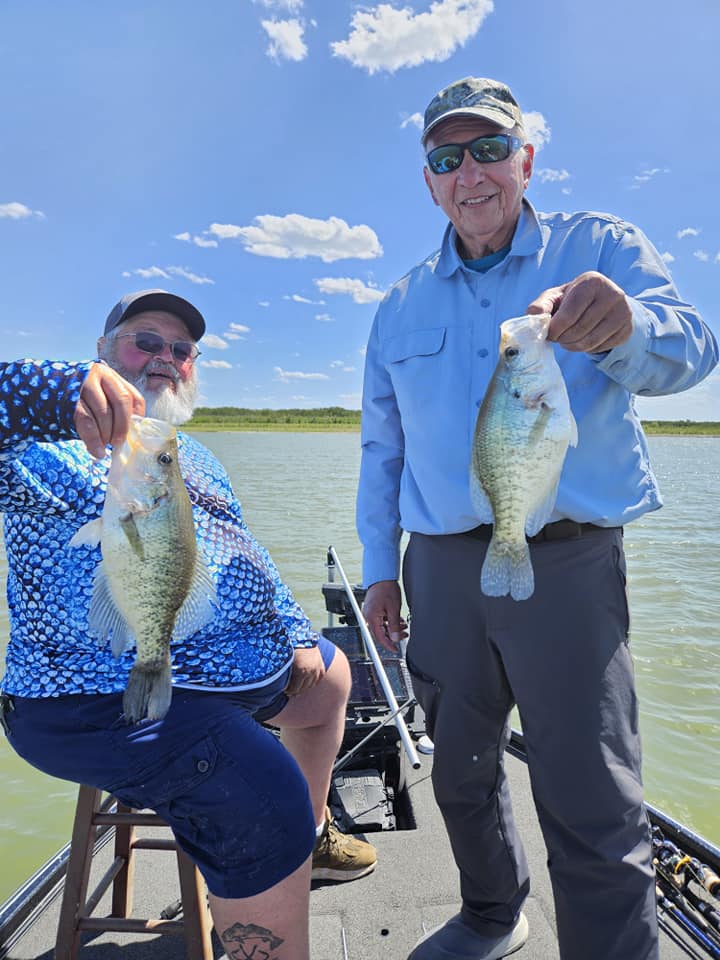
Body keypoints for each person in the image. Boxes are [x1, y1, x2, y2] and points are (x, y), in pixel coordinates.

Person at [357, 76, 718, 960]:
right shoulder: (398, 304)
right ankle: (492, 913)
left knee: (590, 789)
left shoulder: (599, 247)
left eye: (488, 150)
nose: (469, 174)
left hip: (565, 559)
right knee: (462, 770)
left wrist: (623, 325)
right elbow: (382, 450)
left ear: (526, 158)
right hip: (438, 569)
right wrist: (378, 569)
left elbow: (692, 348)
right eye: (447, 159)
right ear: (429, 180)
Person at [0, 289, 376, 960]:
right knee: (264, 794)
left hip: (221, 669)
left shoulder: (189, 454)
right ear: (102, 351)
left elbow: (239, 547)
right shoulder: (35, 445)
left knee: (335, 674)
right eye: (146, 341)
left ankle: (310, 839)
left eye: (181, 350)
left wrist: (292, 627)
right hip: (86, 698)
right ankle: (279, 851)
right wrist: (57, 391)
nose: (166, 358)